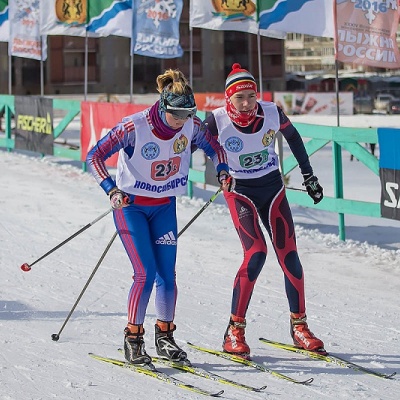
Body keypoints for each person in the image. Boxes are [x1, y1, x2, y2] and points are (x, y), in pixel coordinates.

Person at [86, 69, 233, 366]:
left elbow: (215, 148)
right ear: (163, 106)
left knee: (168, 275)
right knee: (146, 273)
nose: (182, 122)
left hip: (165, 206)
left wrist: (222, 170)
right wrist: (111, 190)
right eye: (177, 115)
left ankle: (165, 337)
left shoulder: (190, 126)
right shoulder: (133, 127)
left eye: (188, 114)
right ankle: (133, 339)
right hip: (132, 207)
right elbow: (94, 156)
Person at [203, 63, 325, 358]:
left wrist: (308, 175)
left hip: (272, 188)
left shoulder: (271, 112)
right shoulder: (215, 120)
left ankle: (299, 326)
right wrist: (219, 172)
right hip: (240, 191)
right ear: (227, 99)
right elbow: (197, 144)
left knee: (290, 256)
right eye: (239, 98)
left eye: (250, 96)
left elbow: (294, 138)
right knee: (256, 252)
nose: (246, 103)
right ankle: (235, 330)